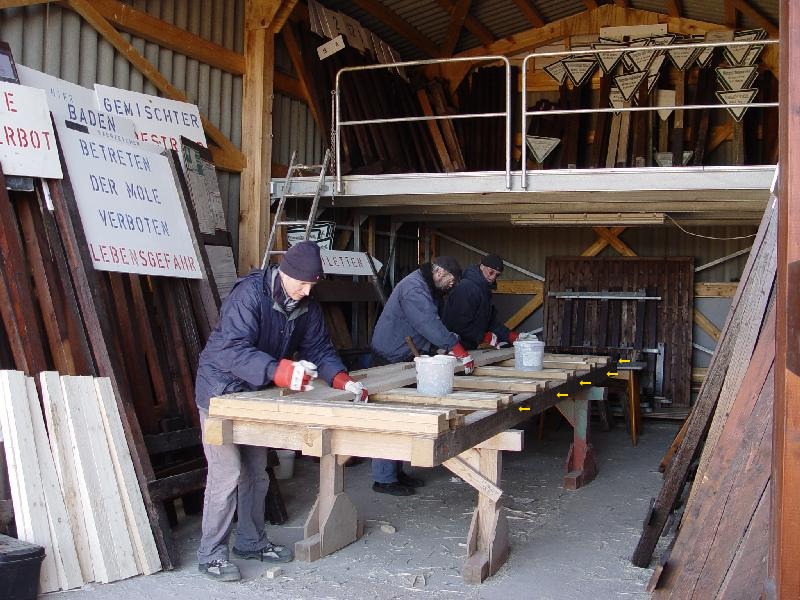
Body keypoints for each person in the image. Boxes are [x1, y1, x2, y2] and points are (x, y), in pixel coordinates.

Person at [194, 241, 368, 582]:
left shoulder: (307, 304)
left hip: (255, 393)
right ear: (283, 272)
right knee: (227, 474)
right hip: (220, 389)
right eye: (301, 284)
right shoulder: (249, 295)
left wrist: (343, 380)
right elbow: (231, 349)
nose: (306, 291)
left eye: (312, 285)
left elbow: (319, 347)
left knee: (257, 474)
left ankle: (250, 541)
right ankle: (211, 553)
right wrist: (280, 371)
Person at [369, 256, 475, 496]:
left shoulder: (428, 288)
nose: (451, 285)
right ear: (439, 272)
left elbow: (432, 323)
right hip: (389, 358)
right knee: (389, 420)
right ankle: (384, 479)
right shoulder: (414, 288)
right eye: (450, 280)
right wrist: (457, 350)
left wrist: (439, 347)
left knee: (403, 417)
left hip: (404, 358)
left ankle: (396, 472)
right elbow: (427, 323)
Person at [442, 254, 520, 350]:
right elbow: (458, 324)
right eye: (491, 272)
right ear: (482, 266)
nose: (493, 277)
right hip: (455, 347)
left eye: (497, 275)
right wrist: (483, 336)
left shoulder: (484, 290)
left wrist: (510, 336)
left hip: (470, 347)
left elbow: (490, 322)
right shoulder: (466, 287)